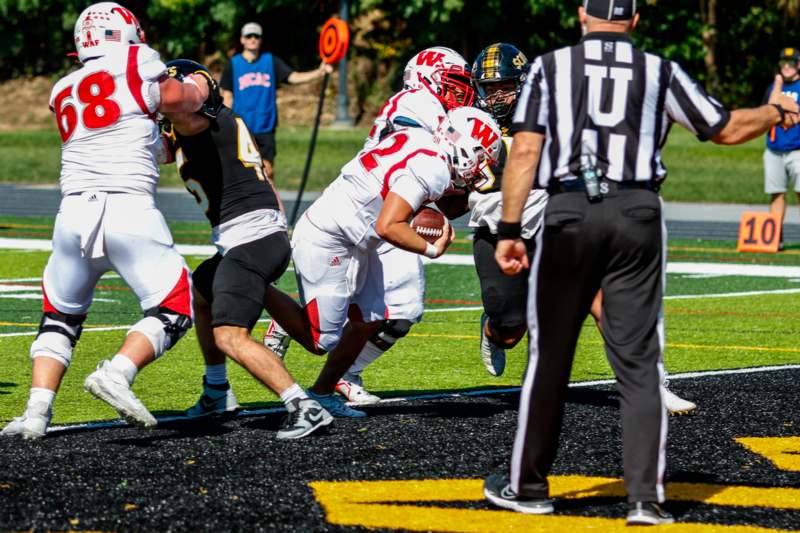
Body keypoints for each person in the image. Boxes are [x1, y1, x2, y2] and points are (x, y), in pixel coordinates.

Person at [483, 0, 799, 525]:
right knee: (637, 361)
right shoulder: (660, 70)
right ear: (634, 19)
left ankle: (528, 485)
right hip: (636, 213)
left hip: (568, 212)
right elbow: (722, 127)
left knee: (550, 357)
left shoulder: (549, 67)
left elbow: (524, 151)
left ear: (583, 13)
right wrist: (777, 110)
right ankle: (645, 499)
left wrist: (510, 229)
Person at [1, 2, 212, 439]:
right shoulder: (136, 60)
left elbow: (140, 138)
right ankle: (117, 371)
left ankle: (36, 414)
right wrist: (200, 88)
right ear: (125, 33)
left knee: (59, 317)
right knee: (177, 306)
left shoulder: (63, 89)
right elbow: (175, 99)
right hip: (126, 208)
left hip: (72, 214)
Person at [468, 43, 696, 415]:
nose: (496, 96)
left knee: (606, 301)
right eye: (489, 88)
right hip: (498, 232)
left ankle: (652, 384)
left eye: (504, 87)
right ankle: (492, 330)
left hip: (555, 226)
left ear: (523, 84)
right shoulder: (466, 124)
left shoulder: (552, 117)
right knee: (510, 328)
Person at [263, 46, 476, 405]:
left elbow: (445, 193)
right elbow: (421, 166)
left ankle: (337, 379)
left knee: (400, 311)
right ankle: (296, 325)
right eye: (453, 84)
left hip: (390, 210)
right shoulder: (417, 103)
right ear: (426, 78)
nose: (461, 93)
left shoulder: (441, 115)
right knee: (351, 323)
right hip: (379, 210)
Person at [160, 60, 332, 439]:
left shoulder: (206, 120)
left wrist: (140, 91)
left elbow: (178, 103)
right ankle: (217, 390)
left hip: (250, 239)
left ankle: (302, 405)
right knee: (199, 291)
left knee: (229, 335)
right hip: (253, 237)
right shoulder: (209, 125)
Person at [220, 21, 333, 181]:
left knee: (267, 170)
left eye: (256, 36)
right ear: (242, 40)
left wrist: (319, 72)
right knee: (242, 173)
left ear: (260, 40)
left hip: (265, 126)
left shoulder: (270, 61)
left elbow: (293, 77)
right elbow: (227, 95)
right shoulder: (233, 64)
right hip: (242, 127)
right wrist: (225, 124)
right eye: (249, 36)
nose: (253, 39)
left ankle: (271, 205)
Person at [764, 47, 800, 251]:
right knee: (776, 193)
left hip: (797, 149)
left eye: (791, 62)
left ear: (799, 65)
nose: (787, 66)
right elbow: (762, 113)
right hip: (774, 150)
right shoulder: (773, 88)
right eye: (784, 62)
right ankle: (774, 237)